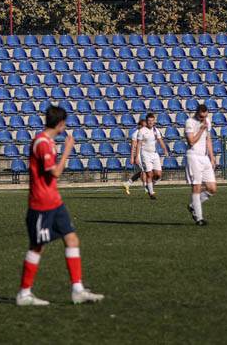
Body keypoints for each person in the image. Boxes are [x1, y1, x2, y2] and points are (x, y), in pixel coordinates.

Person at [16, 105, 104, 306]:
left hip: (55, 202)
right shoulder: (43, 143)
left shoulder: (47, 141)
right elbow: (54, 172)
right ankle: (24, 293)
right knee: (37, 247)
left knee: (72, 239)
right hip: (41, 205)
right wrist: (67, 151)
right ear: (61, 124)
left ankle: (77, 289)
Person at [184, 103, 216, 226]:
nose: (204, 119)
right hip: (193, 157)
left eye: (205, 116)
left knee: (212, 189)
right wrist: (201, 129)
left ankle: (193, 206)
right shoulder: (189, 122)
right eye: (201, 117)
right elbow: (191, 141)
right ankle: (199, 218)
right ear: (197, 113)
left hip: (204, 157)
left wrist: (212, 157)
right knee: (196, 187)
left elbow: (208, 139)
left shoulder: (207, 121)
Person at [131, 113, 170, 199]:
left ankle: (149, 186)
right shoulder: (142, 131)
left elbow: (160, 141)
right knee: (149, 174)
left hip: (155, 154)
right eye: (149, 121)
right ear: (147, 121)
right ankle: (151, 193)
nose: (151, 122)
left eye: (152, 121)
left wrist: (165, 150)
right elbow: (139, 144)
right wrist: (137, 156)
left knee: (158, 175)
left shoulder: (156, 130)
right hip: (145, 154)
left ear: (154, 121)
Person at [122, 125, 145, 195]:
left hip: (143, 155)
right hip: (138, 156)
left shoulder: (144, 133)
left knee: (140, 172)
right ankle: (147, 188)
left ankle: (128, 183)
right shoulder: (136, 134)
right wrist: (133, 157)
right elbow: (133, 146)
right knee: (145, 171)